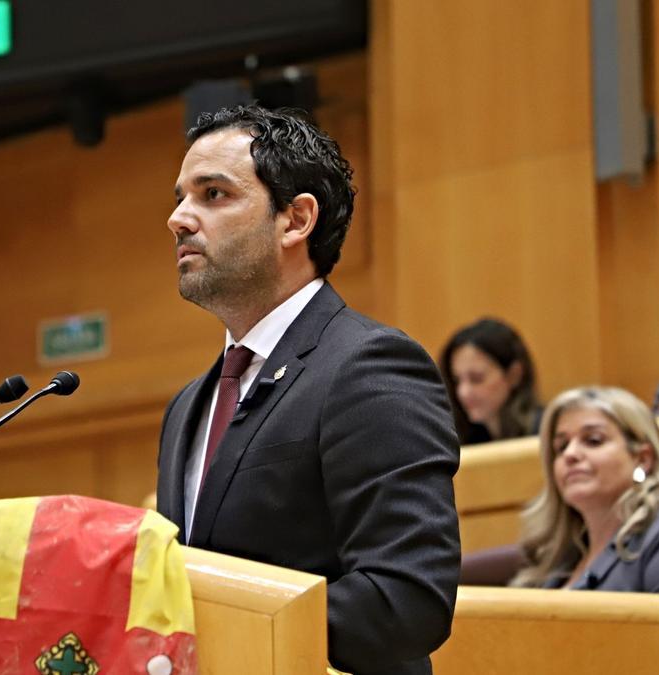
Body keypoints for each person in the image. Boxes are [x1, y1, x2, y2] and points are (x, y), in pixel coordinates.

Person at [155, 105, 460, 675]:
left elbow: (407, 600)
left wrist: (234, 631)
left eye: (214, 194)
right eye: (180, 197)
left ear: (295, 220)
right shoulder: (186, 408)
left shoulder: (369, 366)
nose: (179, 218)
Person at [511, 386, 659, 675]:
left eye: (592, 440)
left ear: (642, 459)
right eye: (560, 447)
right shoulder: (554, 562)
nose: (571, 455)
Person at [439, 317, 541, 444]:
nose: (463, 392)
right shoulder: (461, 441)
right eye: (457, 381)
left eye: (476, 379)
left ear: (514, 375)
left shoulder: (543, 434)